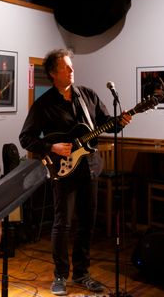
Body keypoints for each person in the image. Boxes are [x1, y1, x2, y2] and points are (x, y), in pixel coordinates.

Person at [19, 48, 131, 296]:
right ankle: (60, 275)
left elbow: (106, 123)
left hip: (90, 169)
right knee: (62, 224)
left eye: (71, 66)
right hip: (64, 171)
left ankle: (82, 273)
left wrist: (119, 121)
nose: (72, 70)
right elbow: (26, 138)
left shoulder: (87, 95)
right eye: (66, 67)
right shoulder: (44, 104)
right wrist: (52, 147)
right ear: (53, 73)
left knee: (87, 223)